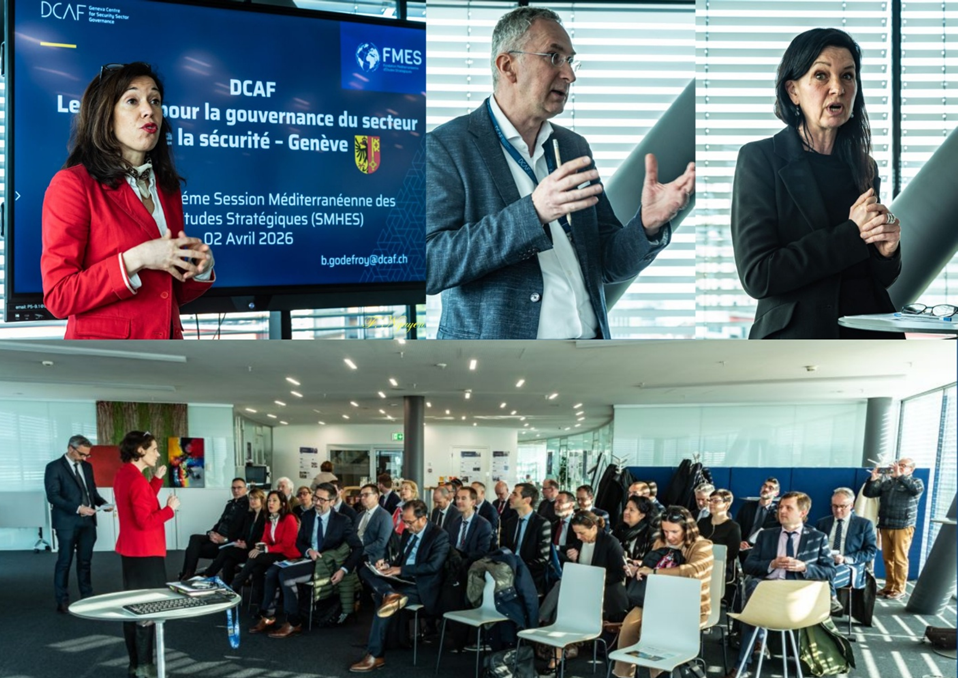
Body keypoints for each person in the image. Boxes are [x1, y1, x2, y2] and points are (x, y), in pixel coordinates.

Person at [425, 6, 694, 340]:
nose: (569, 75)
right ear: (508, 66)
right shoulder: (447, 147)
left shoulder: (572, 147)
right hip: (501, 362)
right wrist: (534, 213)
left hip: (588, 355)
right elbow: (430, 264)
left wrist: (647, 225)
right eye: (554, 57)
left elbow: (607, 263)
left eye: (570, 60)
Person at [730, 28, 902, 339]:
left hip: (870, 340)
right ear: (793, 91)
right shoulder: (759, 158)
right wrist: (852, 233)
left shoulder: (865, 166)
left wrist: (886, 253)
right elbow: (758, 275)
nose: (838, 88)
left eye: (847, 76)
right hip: (796, 342)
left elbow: (874, 278)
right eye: (821, 75)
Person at [40, 62, 213, 339]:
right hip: (107, 357)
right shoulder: (73, 185)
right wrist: (138, 258)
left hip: (169, 352)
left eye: (155, 100)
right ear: (106, 117)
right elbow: (59, 296)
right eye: (132, 100)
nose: (149, 110)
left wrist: (200, 268)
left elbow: (166, 294)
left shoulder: (167, 189)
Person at [726, 492, 835, 678]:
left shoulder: (817, 537)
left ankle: (755, 644)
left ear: (803, 512)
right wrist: (771, 564)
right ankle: (742, 663)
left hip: (796, 597)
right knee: (754, 589)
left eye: (788, 508)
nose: (781, 511)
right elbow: (749, 565)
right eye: (780, 507)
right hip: (767, 591)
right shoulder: (766, 535)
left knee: (753, 602)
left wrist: (804, 567)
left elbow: (829, 572)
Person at [250, 483, 363, 637]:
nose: (316, 502)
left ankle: (293, 622)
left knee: (286, 576)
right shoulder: (308, 516)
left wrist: (344, 569)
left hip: (325, 563)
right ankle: (268, 616)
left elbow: (358, 547)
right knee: (272, 572)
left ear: (332, 501)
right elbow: (299, 542)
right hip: (307, 558)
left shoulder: (342, 521)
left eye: (322, 500)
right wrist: (308, 550)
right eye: (315, 498)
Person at [350, 499, 450, 672]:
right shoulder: (407, 532)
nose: (406, 526)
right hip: (401, 580)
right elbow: (401, 559)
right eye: (404, 521)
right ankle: (389, 593)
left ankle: (375, 655)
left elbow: (433, 566)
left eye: (409, 522)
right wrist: (387, 566)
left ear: (423, 518)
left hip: (421, 585)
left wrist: (400, 570)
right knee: (365, 569)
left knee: (384, 604)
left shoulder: (439, 535)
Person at [614, 506, 713, 678]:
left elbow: (693, 570)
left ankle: (658, 674)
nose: (669, 536)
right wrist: (639, 568)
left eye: (674, 531)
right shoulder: (660, 542)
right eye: (665, 531)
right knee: (628, 626)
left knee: (653, 633)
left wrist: (654, 572)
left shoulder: (702, 546)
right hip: (656, 602)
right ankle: (623, 674)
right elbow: (652, 565)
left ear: (687, 529)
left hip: (688, 607)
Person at [113, 431, 180, 678]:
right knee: (148, 610)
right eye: (153, 449)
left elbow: (141, 500)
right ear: (140, 451)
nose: (158, 453)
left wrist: (157, 480)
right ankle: (144, 667)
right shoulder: (137, 481)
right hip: (146, 553)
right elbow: (145, 520)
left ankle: (137, 664)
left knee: (135, 607)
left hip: (132, 551)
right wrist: (170, 510)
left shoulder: (125, 474)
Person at [44, 434, 111, 613]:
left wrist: (104, 503)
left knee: (85, 561)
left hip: (88, 522)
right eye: (82, 454)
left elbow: (92, 493)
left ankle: (87, 596)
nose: (85, 458)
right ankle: (62, 601)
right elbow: (53, 496)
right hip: (66, 522)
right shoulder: (54, 467)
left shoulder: (87, 467)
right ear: (70, 448)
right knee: (64, 562)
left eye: (87, 455)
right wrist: (77, 508)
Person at [862, 458, 924, 600]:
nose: (899, 467)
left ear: (911, 469)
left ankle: (900, 589)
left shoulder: (916, 482)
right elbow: (869, 493)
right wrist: (873, 479)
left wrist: (900, 476)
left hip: (903, 525)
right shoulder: (888, 483)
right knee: (887, 558)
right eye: (898, 465)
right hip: (885, 524)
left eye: (903, 466)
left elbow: (915, 490)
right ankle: (889, 586)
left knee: (900, 559)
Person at [230, 490, 299, 610]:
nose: (270, 503)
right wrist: (259, 548)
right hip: (274, 553)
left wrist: (264, 549)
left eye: (274, 501)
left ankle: (235, 585)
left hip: (287, 554)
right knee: (257, 569)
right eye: (269, 501)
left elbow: (286, 545)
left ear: (283, 504)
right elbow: (265, 539)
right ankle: (262, 606)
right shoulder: (269, 518)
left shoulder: (289, 518)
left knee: (256, 557)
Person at [815, 487, 877, 607]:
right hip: (824, 563)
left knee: (826, 576)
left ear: (851, 505)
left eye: (842, 506)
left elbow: (871, 551)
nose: (838, 510)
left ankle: (829, 603)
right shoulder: (822, 523)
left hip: (849, 565)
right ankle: (831, 602)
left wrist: (845, 558)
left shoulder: (863, 524)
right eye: (834, 506)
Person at [178, 477, 249, 580]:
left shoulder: (247, 507)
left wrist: (224, 539)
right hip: (217, 537)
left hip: (228, 542)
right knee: (194, 538)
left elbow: (243, 532)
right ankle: (189, 574)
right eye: (233, 488)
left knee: (191, 550)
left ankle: (187, 575)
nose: (236, 490)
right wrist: (211, 533)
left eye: (239, 488)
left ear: (246, 489)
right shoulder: (230, 504)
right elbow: (220, 523)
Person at [565, 511, 628, 621]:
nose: (578, 537)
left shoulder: (610, 542)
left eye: (581, 533)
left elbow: (620, 574)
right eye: (576, 533)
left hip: (605, 593)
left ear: (593, 528)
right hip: (584, 590)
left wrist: (595, 580)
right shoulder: (580, 541)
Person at [204, 487, 267, 585]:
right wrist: (240, 541)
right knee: (228, 562)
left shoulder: (265, 517)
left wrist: (247, 545)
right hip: (246, 548)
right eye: (250, 498)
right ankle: (227, 588)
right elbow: (244, 533)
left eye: (255, 498)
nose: (252, 501)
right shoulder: (250, 515)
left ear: (262, 500)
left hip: (256, 550)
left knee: (226, 551)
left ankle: (207, 575)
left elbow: (262, 538)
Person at [500, 483, 552, 594]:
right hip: (508, 577)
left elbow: (542, 560)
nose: (510, 497)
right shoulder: (510, 523)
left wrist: (518, 567)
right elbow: (504, 549)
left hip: (530, 579)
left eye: (515, 494)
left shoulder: (542, 524)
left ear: (527, 500)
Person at [697, 489, 742, 580]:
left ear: (726, 505)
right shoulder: (702, 523)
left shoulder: (733, 527)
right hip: (700, 563)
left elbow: (732, 554)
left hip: (721, 567)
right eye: (710, 500)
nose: (711, 503)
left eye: (716, 501)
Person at [446, 486, 494, 565]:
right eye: (457, 498)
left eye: (463, 498)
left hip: (472, 565)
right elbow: (449, 545)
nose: (459, 501)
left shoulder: (483, 525)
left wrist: (462, 560)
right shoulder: (454, 522)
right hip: (453, 564)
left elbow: (482, 552)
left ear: (473, 502)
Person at [736, 477, 781, 555]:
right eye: (765, 486)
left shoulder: (777, 512)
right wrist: (739, 542)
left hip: (763, 550)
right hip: (743, 547)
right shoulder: (747, 507)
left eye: (770, 488)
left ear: (776, 494)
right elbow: (737, 527)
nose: (766, 489)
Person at [354, 484, 394, 565]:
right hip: (356, 551)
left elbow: (381, 542)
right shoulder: (360, 515)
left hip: (373, 556)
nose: (362, 498)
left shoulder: (385, 516)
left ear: (376, 496)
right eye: (361, 495)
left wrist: (361, 551)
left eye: (366, 495)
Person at [613, 495, 656, 564]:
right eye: (626, 508)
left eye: (631, 510)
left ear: (641, 515)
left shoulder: (651, 535)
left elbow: (651, 561)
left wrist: (632, 562)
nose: (626, 512)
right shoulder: (619, 528)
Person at [551, 490, 578, 559]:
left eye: (560, 502)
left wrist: (557, 548)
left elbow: (578, 545)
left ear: (571, 505)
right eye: (555, 502)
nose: (555, 505)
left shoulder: (579, 522)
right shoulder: (554, 524)